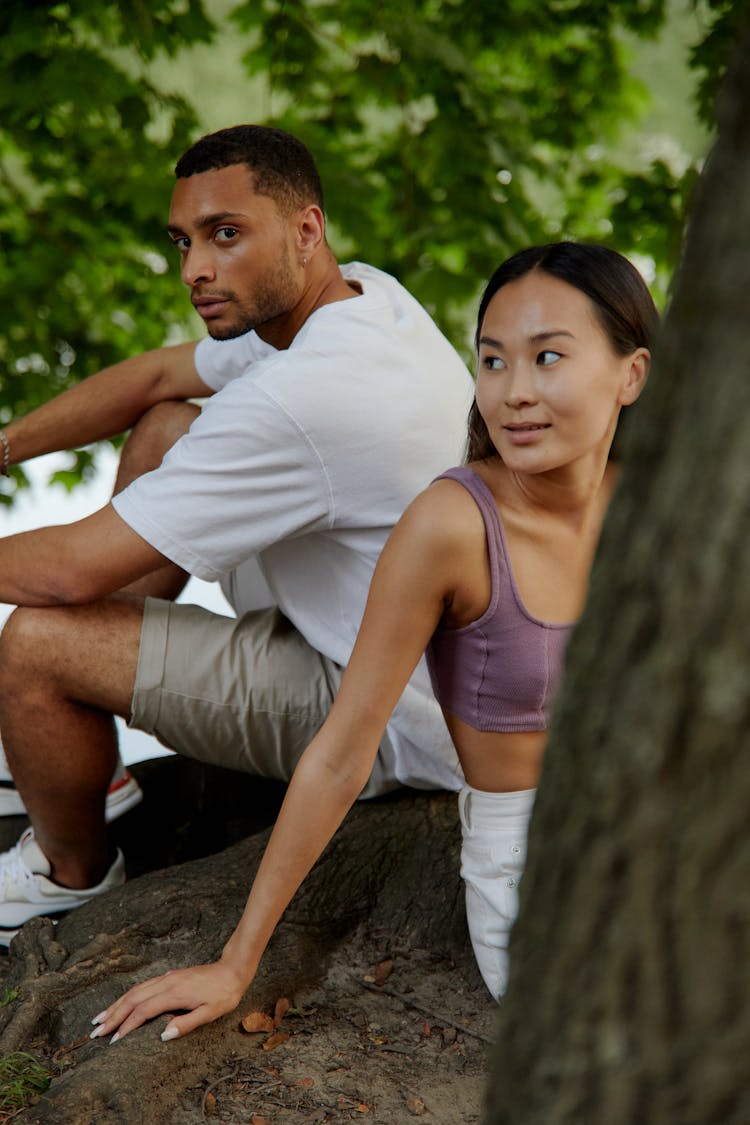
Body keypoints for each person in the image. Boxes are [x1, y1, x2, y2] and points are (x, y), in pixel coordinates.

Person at [88, 241, 658, 1045]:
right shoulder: (453, 526)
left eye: (548, 357)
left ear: (630, 374)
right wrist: (236, 960)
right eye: (493, 362)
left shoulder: (660, 508)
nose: (515, 393)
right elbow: (341, 751)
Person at [0, 125, 474, 943]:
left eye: (226, 235)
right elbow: (156, 376)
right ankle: (79, 739)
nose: (196, 270)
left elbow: (70, 572)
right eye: (184, 242)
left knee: (36, 641)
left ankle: (67, 872)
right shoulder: (366, 296)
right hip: (366, 623)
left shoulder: (305, 395)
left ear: (305, 229)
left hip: (382, 709)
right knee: (164, 427)